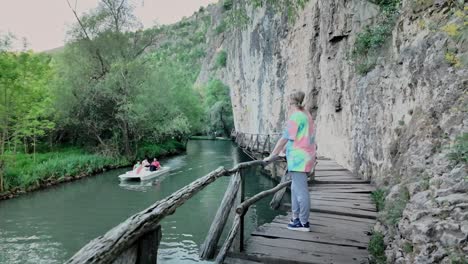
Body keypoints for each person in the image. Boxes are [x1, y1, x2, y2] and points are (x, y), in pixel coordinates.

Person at [264, 90, 316, 232]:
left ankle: (304, 223)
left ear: (290, 102)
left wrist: (272, 156)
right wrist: (284, 150)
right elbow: (297, 137)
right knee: (295, 188)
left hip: (299, 159)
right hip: (306, 156)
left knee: (301, 191)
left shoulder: (296, 116)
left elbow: (284, 138)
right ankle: (296, 219)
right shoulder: (306, 114)